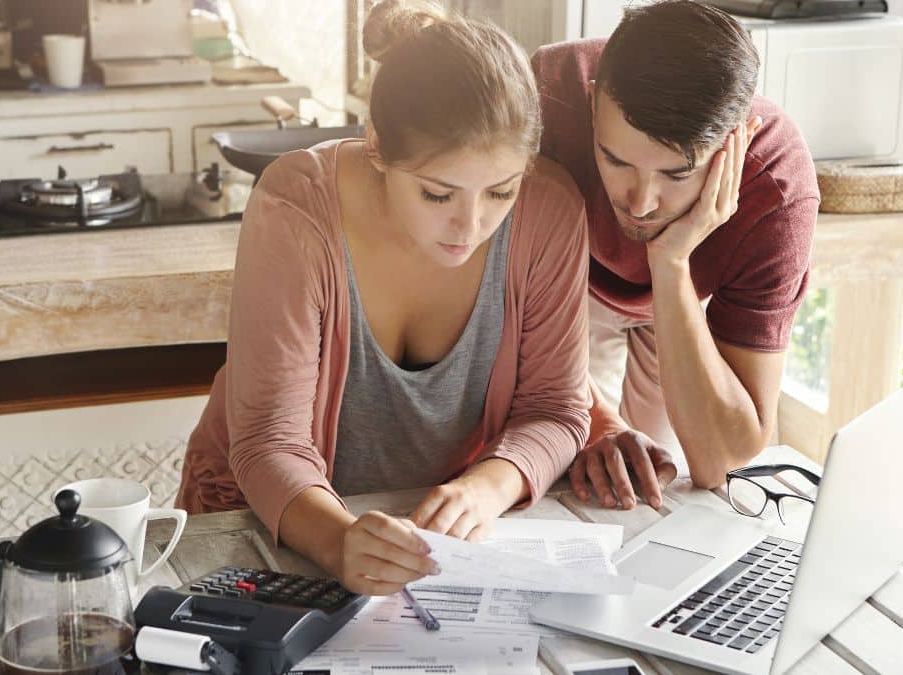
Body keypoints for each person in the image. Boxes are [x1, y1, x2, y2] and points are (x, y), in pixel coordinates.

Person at [175, 0, 592, 596]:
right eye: (437, 194)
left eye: (500, 192)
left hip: (425, 539)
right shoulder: (297, 207)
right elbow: (270, 440)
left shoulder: (551, 211)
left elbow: (554, 407)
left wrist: (485, 489)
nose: (470, 227)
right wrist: (339, 540)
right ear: (376, 147)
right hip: (262, 518)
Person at [531, 0, 819, 509]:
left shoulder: (777, 189)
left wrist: (670, 263)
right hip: (556, 282)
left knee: (660, 478)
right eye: (616, 159)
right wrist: (598, 423)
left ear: (737, 141)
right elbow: (485, 310)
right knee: (573, 462)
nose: (640, 204)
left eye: (677, 173)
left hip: (685, 292)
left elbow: (720, 459)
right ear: (593, 102)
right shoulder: (542, 98)